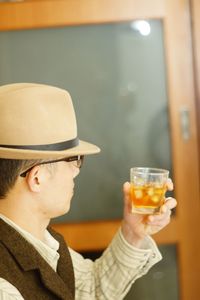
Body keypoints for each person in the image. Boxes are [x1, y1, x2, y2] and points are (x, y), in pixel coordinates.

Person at [0, 83, 176, 300]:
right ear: (38, 178)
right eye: (73, 159)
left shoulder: (42, 240)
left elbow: (89, 290)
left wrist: (133, 232)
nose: (76, 170)